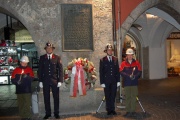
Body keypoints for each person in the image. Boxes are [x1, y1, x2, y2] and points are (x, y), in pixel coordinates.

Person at [38, 41, 63, 119]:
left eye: (50, 48)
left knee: (56, 97)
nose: (49, 49)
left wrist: (60, 80)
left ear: (52, 49)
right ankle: (47, 113)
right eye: (47, 48)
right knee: (46, 97)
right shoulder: (42, 58)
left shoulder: (57, 57)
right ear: (46, 49)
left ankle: (56, 113)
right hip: (45, 81)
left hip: (54, 81)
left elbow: (60, 70)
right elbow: (40, 70)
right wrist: (40, 81)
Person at [119, 48, 142, 118]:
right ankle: (128, 111)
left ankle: (133, 111)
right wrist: (128, 76)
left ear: (133, 55)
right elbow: (121, 72)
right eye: (128, 55)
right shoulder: (123, 63)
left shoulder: (137, 63)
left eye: (131, 55)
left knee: (134, 97)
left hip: (134, 83)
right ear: (126, 55)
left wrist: (135, 76)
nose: (130, 56)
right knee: (128, 97)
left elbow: (140, 71)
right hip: (127, 83)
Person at [99, 43, 120, 115]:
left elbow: (117, 70)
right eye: (108, 50)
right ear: (106, 51)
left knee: (113, 95)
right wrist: (102, 82)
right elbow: (101, 72)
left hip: (114, 81)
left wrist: (118, 81)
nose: (110, 51)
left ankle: (113, 109)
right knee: (107, 96)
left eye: (111, 50)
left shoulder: (115, 59)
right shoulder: (102, 60)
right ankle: (108, 109)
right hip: (106, 81)